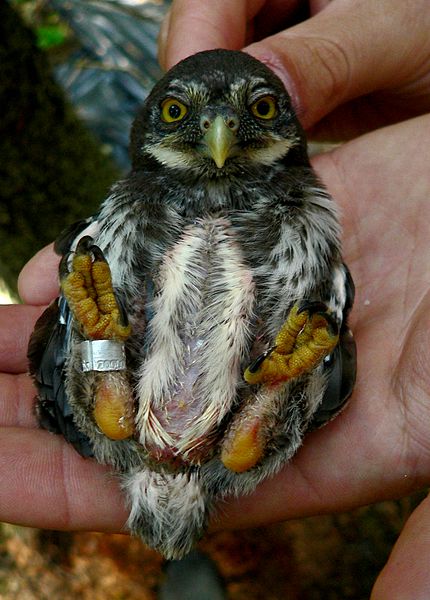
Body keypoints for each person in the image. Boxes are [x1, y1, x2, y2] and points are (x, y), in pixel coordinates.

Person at [1, 1, 429, 596]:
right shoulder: (133, 209)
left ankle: (142, 381)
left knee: (92, 294)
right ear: (150, 124)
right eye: (178, 113)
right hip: (200, 440)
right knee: (90, 278)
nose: (220, 134)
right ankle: (248, 399)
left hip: (178, 431)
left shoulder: (306, 213)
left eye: (257, 109)